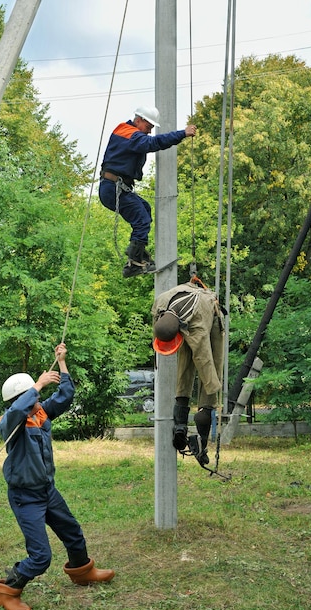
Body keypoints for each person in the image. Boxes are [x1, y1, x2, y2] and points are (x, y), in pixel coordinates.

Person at [0, 343, 114, 610]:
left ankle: (82, 572)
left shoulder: (41, 413)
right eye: (32, 396)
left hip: (47, 491)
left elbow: (66, 395)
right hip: (25, 497)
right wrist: (37, 385)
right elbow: (15, 413)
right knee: (40, 557)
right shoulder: (10, 421)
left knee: (72, 531)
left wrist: (61, 363)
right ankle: (7, 591)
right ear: (22, 397)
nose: (38, 399)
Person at [99, 105, 197, 278]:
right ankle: (134, 263)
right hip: (113, 187)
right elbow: (153, 143)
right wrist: (182, 133)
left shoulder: (127, 132)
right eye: (149, 127)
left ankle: (138, 257)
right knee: (142, 219)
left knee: (144, 210)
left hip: (116, 186)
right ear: (139, 120)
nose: (150, 132)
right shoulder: (129, 134)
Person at [151, 280, 225, 467]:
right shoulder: (160, 304)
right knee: (185, 367)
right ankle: (181, 427)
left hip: (209, 316)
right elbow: (159, 332)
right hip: (181, 317)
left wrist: (214, 391)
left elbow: (205, 362)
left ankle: (200, 440)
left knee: (209, 382)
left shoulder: (198, 327)